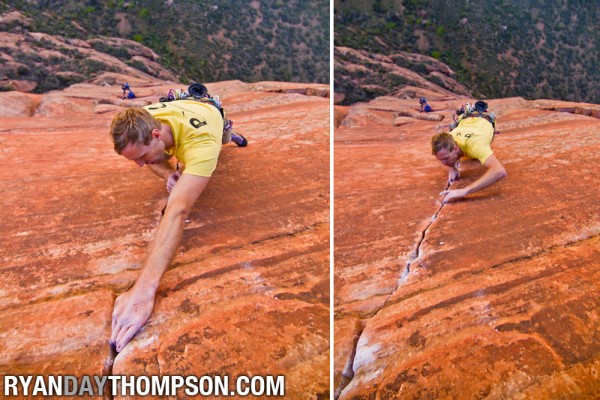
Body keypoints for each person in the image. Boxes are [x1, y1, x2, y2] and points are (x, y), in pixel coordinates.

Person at [108, 99, 227, 352]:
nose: (139, 165)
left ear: (156, 134)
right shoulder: (143, 117)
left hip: (207, 118)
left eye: (141, 157)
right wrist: (166, 173)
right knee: (175, 169)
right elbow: (153, 160)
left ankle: (227, 128)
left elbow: (178, 210)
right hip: (184, 112)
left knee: (222, 141)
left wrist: (142, 291)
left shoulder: (202, 144)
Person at [431, 100, 507, 203]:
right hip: (465, 119)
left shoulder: (475, 145)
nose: (443, 163)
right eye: (441, 160)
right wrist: (451, 167)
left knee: (475, 157)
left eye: (446, 159)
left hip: (483, 119)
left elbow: (499, 171)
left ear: (456, 148)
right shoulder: (448, 139)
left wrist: (465, 191)